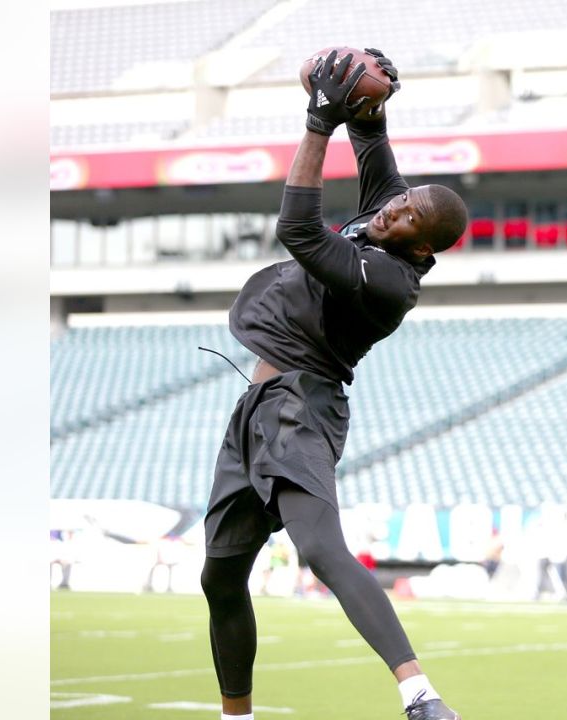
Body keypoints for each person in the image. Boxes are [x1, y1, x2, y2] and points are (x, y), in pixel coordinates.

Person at [198, 49, 469, 720]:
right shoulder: (390, 210)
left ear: (422, 249)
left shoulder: (391, 281)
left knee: (318, 547)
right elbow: (372, 138)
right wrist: (369, 97)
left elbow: (296, 230)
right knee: (219, 575)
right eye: (400, 202)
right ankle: (238, 716)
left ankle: (420, 695)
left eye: (408, 220)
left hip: (302, 405)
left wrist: (318, 119)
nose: (393, 213)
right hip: (257, 406)